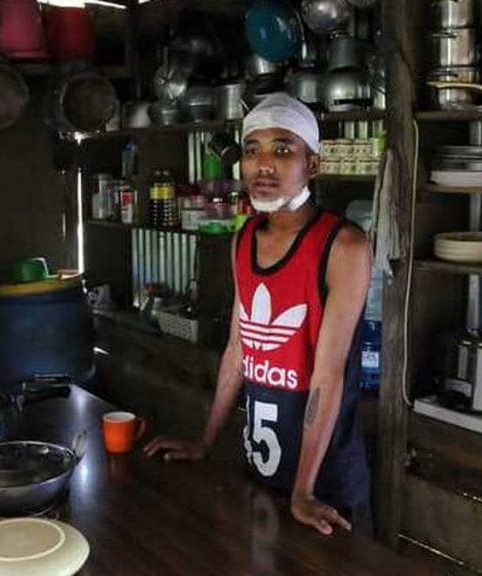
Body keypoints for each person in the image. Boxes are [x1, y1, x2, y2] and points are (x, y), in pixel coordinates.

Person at [144, 93, 373, 536]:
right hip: (260, 468)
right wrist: (205, 442)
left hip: (323, 486)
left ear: (313, 164)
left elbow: (327, 375)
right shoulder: (244, 237)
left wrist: (303, 491)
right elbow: (238, 349)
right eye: (252, 150)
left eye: (283, 149)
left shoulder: (343, 246)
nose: (263, 164)